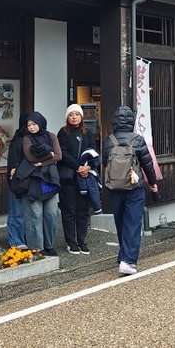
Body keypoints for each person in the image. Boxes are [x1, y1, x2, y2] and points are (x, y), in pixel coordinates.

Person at [103, 105, 159, 276]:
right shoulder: (138, 140)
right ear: (132, 121)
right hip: (134, 187)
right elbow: (147, 164)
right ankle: (128, 260)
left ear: (114, 122)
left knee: (121, 222)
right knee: (133, 224)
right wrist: (152, 183)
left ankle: (123, 255)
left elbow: (105, 163)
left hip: (114, 187)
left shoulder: (109, 141)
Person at [8, 111, 61, 255]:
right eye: (29, 125)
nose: (31, 127)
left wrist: (43, 161)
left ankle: (49, 245)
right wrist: (49, 154)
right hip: (32, 180)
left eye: (34, 124)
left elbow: (58, 155)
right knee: (34, 215)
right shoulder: (26, 138)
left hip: (49, 180)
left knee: (51, 214)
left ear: (41, 123)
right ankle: (37, 247)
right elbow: (31, 157)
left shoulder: (51, 136)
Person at [57, 104, 96, 255]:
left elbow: (94, 152)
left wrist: (88, 167)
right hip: (68, 177)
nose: (74, 117)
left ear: (81, 117)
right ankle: (71, 242)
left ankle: (82, 241)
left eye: (77, 114)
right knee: (69, 210)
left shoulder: (88, 133)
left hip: (84, 177)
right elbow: (63, 153)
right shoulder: (63, 133)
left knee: (83, 210)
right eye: (71, 114)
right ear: (67, 117)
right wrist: (78, 166)